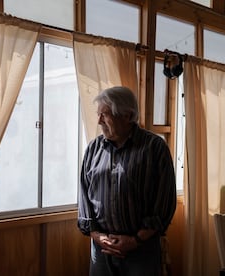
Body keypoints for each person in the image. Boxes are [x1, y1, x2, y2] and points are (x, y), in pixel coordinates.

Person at [77, 86, 177, 276]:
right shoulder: (93, 149)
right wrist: (97, 236)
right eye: (99, 115)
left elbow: (165, 202)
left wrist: (135, 240)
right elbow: (84, 195)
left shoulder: (154, 148)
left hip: (142, 250)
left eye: (104, 115)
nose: (99, 121)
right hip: (101, 249)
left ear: (127, 115)